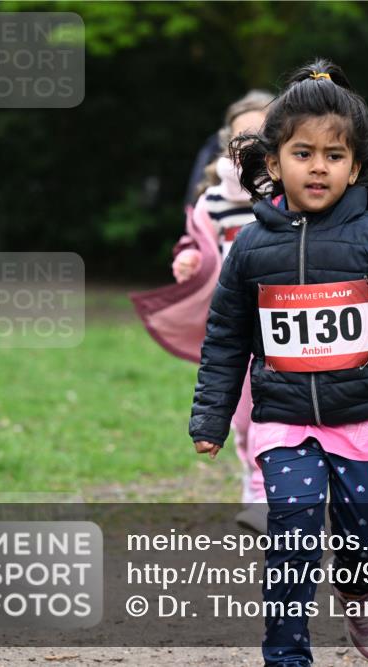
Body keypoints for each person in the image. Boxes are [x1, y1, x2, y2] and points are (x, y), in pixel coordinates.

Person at [189, 59, 368, 666]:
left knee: (365, 531)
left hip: (365, 419)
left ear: (356, 166)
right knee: (293, 535)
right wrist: (211, 418)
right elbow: (226, 336)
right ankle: (286, 656)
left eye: (334, 156)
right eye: (303, 153)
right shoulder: (252, 246)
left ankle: (360, 589)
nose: (319, 167)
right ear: (273, 162)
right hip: (283, 419)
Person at [133, 91, 273, 533]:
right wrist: (188, 259)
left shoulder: (287, 192)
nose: (251, 144)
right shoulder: (213, 199)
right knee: (245, 413)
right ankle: (255, 485)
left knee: (280, 407)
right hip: (234, 322)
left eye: (263, 135)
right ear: (227, 143)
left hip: (282, 316)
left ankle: (272, 488)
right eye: (242, 136)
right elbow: (194, 242)